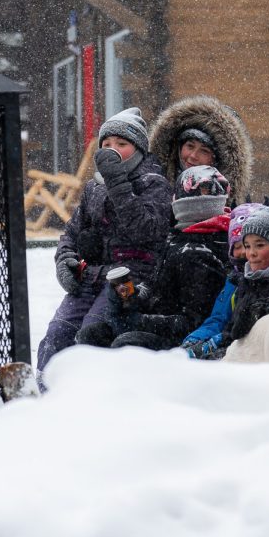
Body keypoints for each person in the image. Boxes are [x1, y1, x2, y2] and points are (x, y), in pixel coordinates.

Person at [37, 107, 172, 373]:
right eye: (106, 144)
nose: (112, 149)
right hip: (90, 278)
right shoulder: (94, 188)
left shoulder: (154, 184)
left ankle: (90, 396)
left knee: (92, 334)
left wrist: (117, 182)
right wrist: (65, 260)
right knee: (57, 335)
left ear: (139, 149)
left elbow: (145, 230)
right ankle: (46, 395)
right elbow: (72, 233)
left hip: (129, 280)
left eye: (122, 144)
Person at [77, 165, 231, 350]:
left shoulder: (201, 252)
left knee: (126, 345)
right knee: (92, 335)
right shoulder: (178, 237)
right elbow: (156, 289)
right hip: (161, 324)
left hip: (183, 342)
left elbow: (195, 321)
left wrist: (138, 322)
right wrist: (130, 295)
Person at [207, 205, 269, 357]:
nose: (251, 253)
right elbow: (231, 332)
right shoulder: (246, 281)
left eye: (260, 245)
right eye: (247, 246)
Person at [179, 201, 263, 358]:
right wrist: (194, 340)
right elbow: (218, 319)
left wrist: (216, 343)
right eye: (237, 247)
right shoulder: (235, 280)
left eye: (249, 245)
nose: (245, 253)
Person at [149, 95, 254, 202]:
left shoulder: (236, 207)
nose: (193, 156)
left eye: (204, 151)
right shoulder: (151, 188)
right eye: (190, 146)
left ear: (218, 160)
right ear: (179, 146)